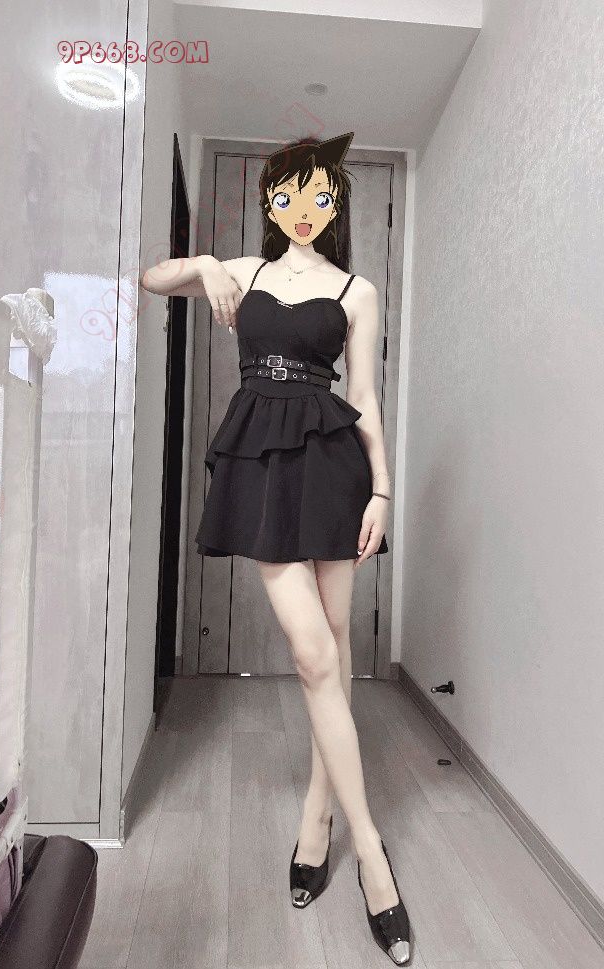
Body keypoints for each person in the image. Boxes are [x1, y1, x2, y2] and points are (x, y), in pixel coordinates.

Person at [141, 132, 411, 965]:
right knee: (312, 652)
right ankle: (372, 851)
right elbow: (152, 278)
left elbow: (364, 394)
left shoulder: (357, 290)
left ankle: (316, 819)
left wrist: (382, 489)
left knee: (331, 652)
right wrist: (205, 265)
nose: (303, 208)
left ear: (336, 206)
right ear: (269, 201)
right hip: (259, 459)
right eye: (288, 194)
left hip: (333, 466)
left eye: (320, 196)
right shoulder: (244, 272)